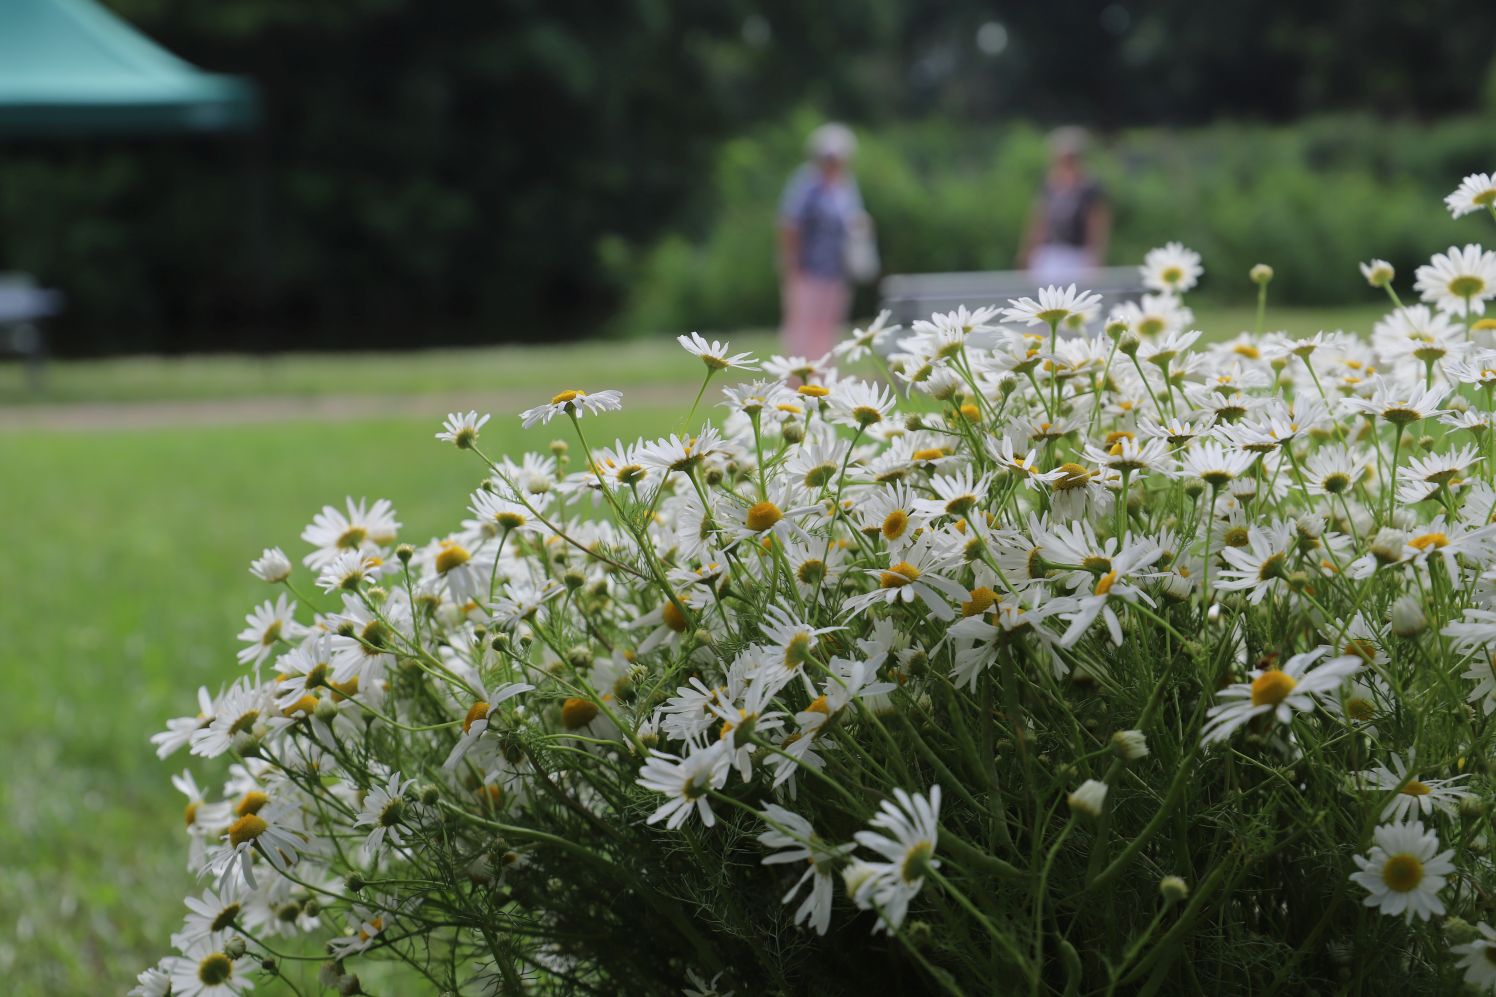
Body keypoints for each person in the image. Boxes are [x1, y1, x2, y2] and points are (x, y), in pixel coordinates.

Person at [777, 123, 867, 360]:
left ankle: (823, 376)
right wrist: (790, 264)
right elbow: (790, 224)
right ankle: (797, 378)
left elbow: (854, 218)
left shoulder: (846, 185)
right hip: (808, 268)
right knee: (803, 326)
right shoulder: (806, 183)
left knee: (829, 326)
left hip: (837, 269)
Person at [1018, 126, 1111, 284]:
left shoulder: (1089, 185)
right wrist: (1029, 250)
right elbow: (1040, 219)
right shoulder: (1049, 183)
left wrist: (1095, 255)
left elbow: (1097, 222)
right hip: (1050, 250)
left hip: (1077, 252)